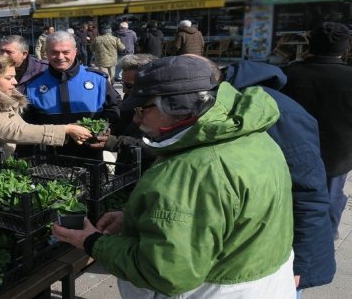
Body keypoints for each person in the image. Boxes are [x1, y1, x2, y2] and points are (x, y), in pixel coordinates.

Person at [53, 55, 295, 298]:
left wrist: (93, 242)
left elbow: (164, 272)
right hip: (263, 281)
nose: (136, 119)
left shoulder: (193, 169)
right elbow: (219, 214)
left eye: (142, 109)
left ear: (177, 107)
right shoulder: (249, 135)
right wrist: (135, 218)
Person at [223, 59, 335, 293]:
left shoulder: (277, 112)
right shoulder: (238, 100)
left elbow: (309, 193)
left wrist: (301, 266)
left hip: (283, 259)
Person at [281, 22, 352, 239]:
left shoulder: (287, 75)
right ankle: (326, 236)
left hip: (292, 151)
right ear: (345, 47)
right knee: (331, 196)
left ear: (310, 44)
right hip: (338, 154)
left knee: (292, 196)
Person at [20, 31, 121, 160]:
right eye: (54, 52)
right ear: (46, 52)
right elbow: (27, 122)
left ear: (75, 51)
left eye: (66, 52)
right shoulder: (33, 84)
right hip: (49, 156)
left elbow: (115, 107)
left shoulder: (97, 80)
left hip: (91, 154)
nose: (60, 57)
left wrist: (105, 128)